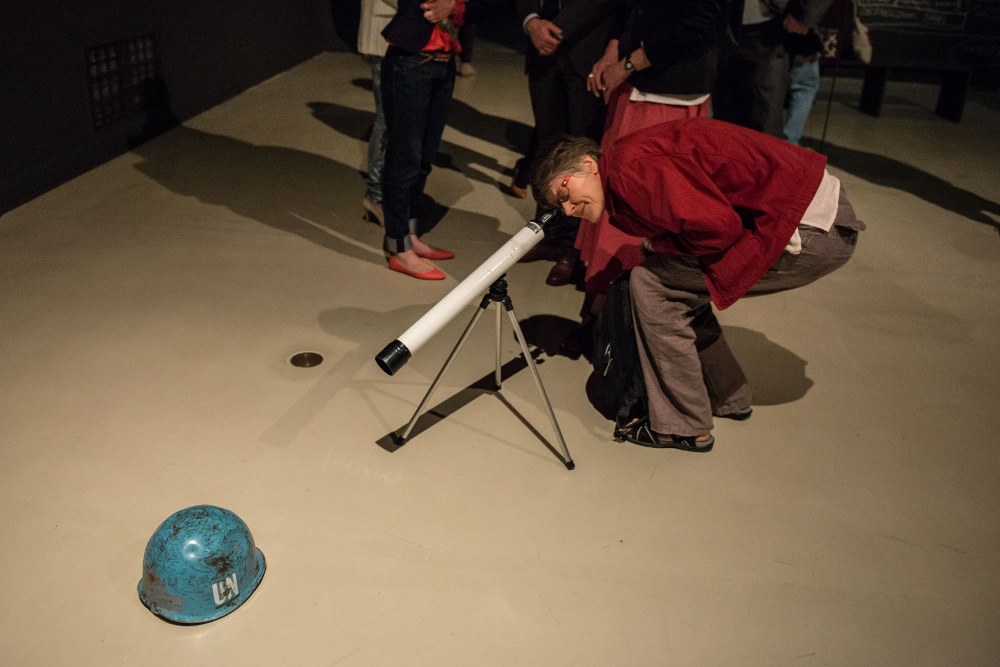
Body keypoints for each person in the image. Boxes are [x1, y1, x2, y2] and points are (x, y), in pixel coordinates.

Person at [530, 118, 865, 451]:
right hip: (814, 214)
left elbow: (718, 229)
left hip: (812, 227)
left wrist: (661, 248)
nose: (570, 209)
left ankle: (684, 425)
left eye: (564, 192)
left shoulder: (630, 171)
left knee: (649, 285)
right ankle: (729, 395)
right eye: (560, 207)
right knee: (670, 279)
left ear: (588, 165)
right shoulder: (625, 168)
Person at [576, 0, 729, 304]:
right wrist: (613, 52)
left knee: (644, 205)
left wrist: (628, 64)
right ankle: (600, 303)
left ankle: (627, 308)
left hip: (669, 89)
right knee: (614, 192)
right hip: (633, 80)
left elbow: (694, 21)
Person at [511, 0, 619, 286]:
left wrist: (557, 30)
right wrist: (532, 22)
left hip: (587, 50)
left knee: (581, 153)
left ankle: (571, 249)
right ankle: (547, 234)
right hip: (541, 54)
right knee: (547, 151)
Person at [380, 0, 465, 280]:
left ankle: (410, 235)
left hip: (443, 65)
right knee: (405, 158)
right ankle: (397, 245)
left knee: (424, 159)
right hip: (411, 63)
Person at [713, 0, 830, 137]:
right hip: (723, 24)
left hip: (769, 26)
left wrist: (804, 16)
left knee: (764, 117)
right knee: (726, 118)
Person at [358, 0, 397, 226]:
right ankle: (375, 196)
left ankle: (380, 194)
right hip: (383, 36)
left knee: (391, 120)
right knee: (386, 120)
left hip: (390, 35)